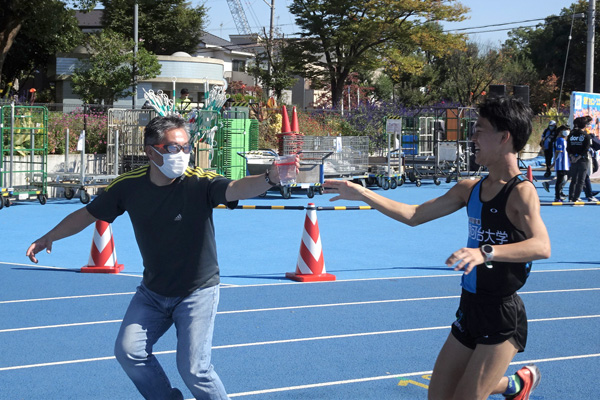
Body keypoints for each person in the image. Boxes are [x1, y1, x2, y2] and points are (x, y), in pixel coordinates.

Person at [26, 115, 294, 400]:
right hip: (153, 292)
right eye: (173, 148)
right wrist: (49, 236)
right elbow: (87, 214)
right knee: (129, 352)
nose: (182, 155)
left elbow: (235, 188)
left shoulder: (199, 182)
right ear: (150, 150)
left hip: (197, 291)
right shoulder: (128, 186)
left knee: (194, 370)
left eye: (187, 148)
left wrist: (269, 178)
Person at [324, 96, 550, 400]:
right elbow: (414, 215)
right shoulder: (468, 189)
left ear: (504, 137)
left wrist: (484, 253)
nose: (473, 138)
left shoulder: (521, 193)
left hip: (501, 315)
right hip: (469, 307)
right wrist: (364, 194)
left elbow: (542, 245)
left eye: (480, 130)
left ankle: (514, 384)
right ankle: (516, 385)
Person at [567, 115, 593, 202]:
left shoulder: (571, 135)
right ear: (585, 125)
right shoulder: (586, 136)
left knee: (573, 179)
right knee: (581, 180)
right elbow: (586, 149)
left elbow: (568, 147)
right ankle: (576, 197)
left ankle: (571, 197)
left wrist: (572, 156)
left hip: (573, 159)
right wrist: (578, 157)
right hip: (582, 160)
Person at [541, 125, 570, 202]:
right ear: (560, 131)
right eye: (565, 130)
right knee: (559, 180)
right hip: (561, 163)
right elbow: (558, 152)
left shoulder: (563, 140)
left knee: (565, 178)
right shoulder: (560, 140)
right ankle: (557, 196)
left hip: (565, 163)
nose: (567, 131)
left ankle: (559, 193)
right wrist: (554, 163)